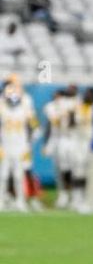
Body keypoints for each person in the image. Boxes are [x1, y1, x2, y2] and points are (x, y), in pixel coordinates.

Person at [0, 79, 35, 210]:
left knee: (19, 175)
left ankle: (20, 200)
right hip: (5, 146)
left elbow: (35, 128)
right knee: (3, 175)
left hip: (20, 147)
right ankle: (1, 200)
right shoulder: (2, 108)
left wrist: (28, 143)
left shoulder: (25, 110)